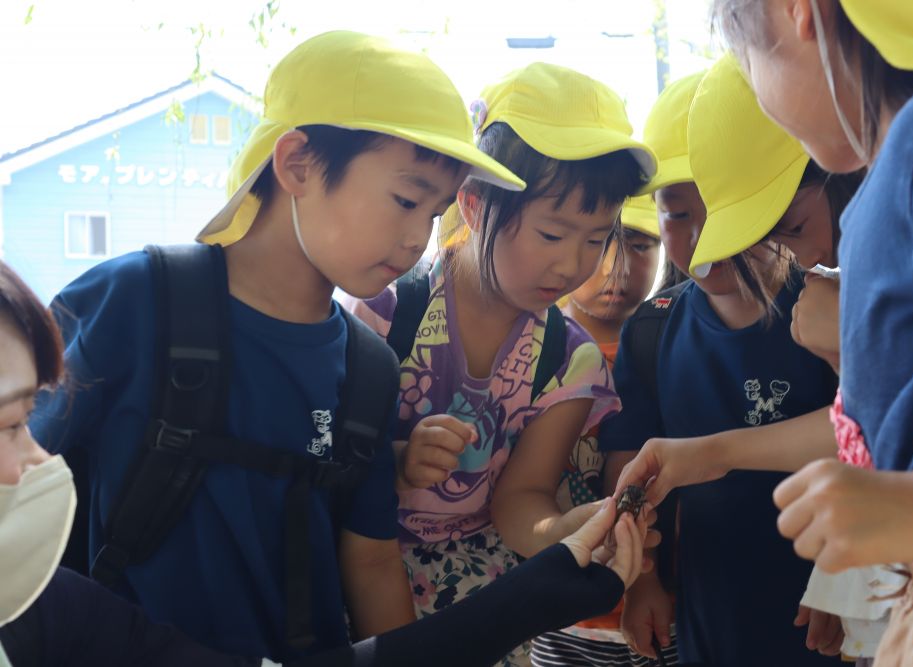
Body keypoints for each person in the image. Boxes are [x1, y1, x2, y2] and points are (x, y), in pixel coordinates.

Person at [26, 31, 529, 662]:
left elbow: (370, 559)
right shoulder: (134, 300)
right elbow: (13, 482)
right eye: (405, 199)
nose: (417, 240)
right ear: (296, 163)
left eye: (433, 214)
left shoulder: (369, 369)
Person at [0, 238, 649, 667]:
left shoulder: (50, 610)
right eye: (7, 427)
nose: (36, 460)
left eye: (31, 420)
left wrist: (551, 580)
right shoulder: (140, 295)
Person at [636, 1, 913, 664]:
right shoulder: (895, 182)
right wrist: (708, 453)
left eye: (749, 65)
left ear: (798, 13)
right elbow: (898, 424)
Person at [343, 62, 656, 666]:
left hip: (485, 604)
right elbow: (330, 464)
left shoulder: (569, 359)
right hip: (362, 579)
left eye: (596, 239)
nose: (572, 265)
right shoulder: (385, 315)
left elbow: (522, 498)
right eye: (551, 234)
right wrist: (400, 462)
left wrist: (565, 533)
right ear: (477, 204)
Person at [602, 55, 842, 666]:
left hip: (823, 599)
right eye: (678, 214)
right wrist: (644, 576)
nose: (706, 237)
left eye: (729, 208)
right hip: (710, 610)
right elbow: (633, 468)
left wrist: (845, 572)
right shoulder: (652, 330)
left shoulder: (825, 312)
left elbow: (862, 439)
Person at [531, 196, 672, 667]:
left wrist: (647, 581)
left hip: (660, 607)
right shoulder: (532, 351)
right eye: (601, 244)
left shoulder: (667, 347)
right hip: (558, 612)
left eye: (639, 244)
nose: (617, 267)